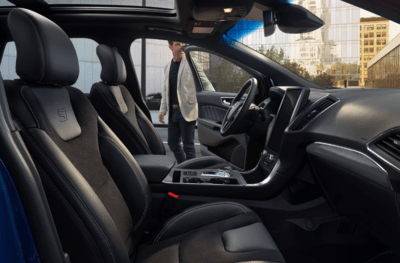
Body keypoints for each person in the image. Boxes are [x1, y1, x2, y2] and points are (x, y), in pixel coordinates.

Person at [158, 41, 213, 163]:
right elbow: (165, 89)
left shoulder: (191, 63)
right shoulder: (167, 67)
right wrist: (163, 110)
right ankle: (184, 167)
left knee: (188, 146)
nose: (181, 47)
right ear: (170, 46)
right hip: (173, 112)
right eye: (178, 44)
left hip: (187, 110)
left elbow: (206, 83)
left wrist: (213, 101)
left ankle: (191, 175)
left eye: (183, 44)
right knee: (172, 144)